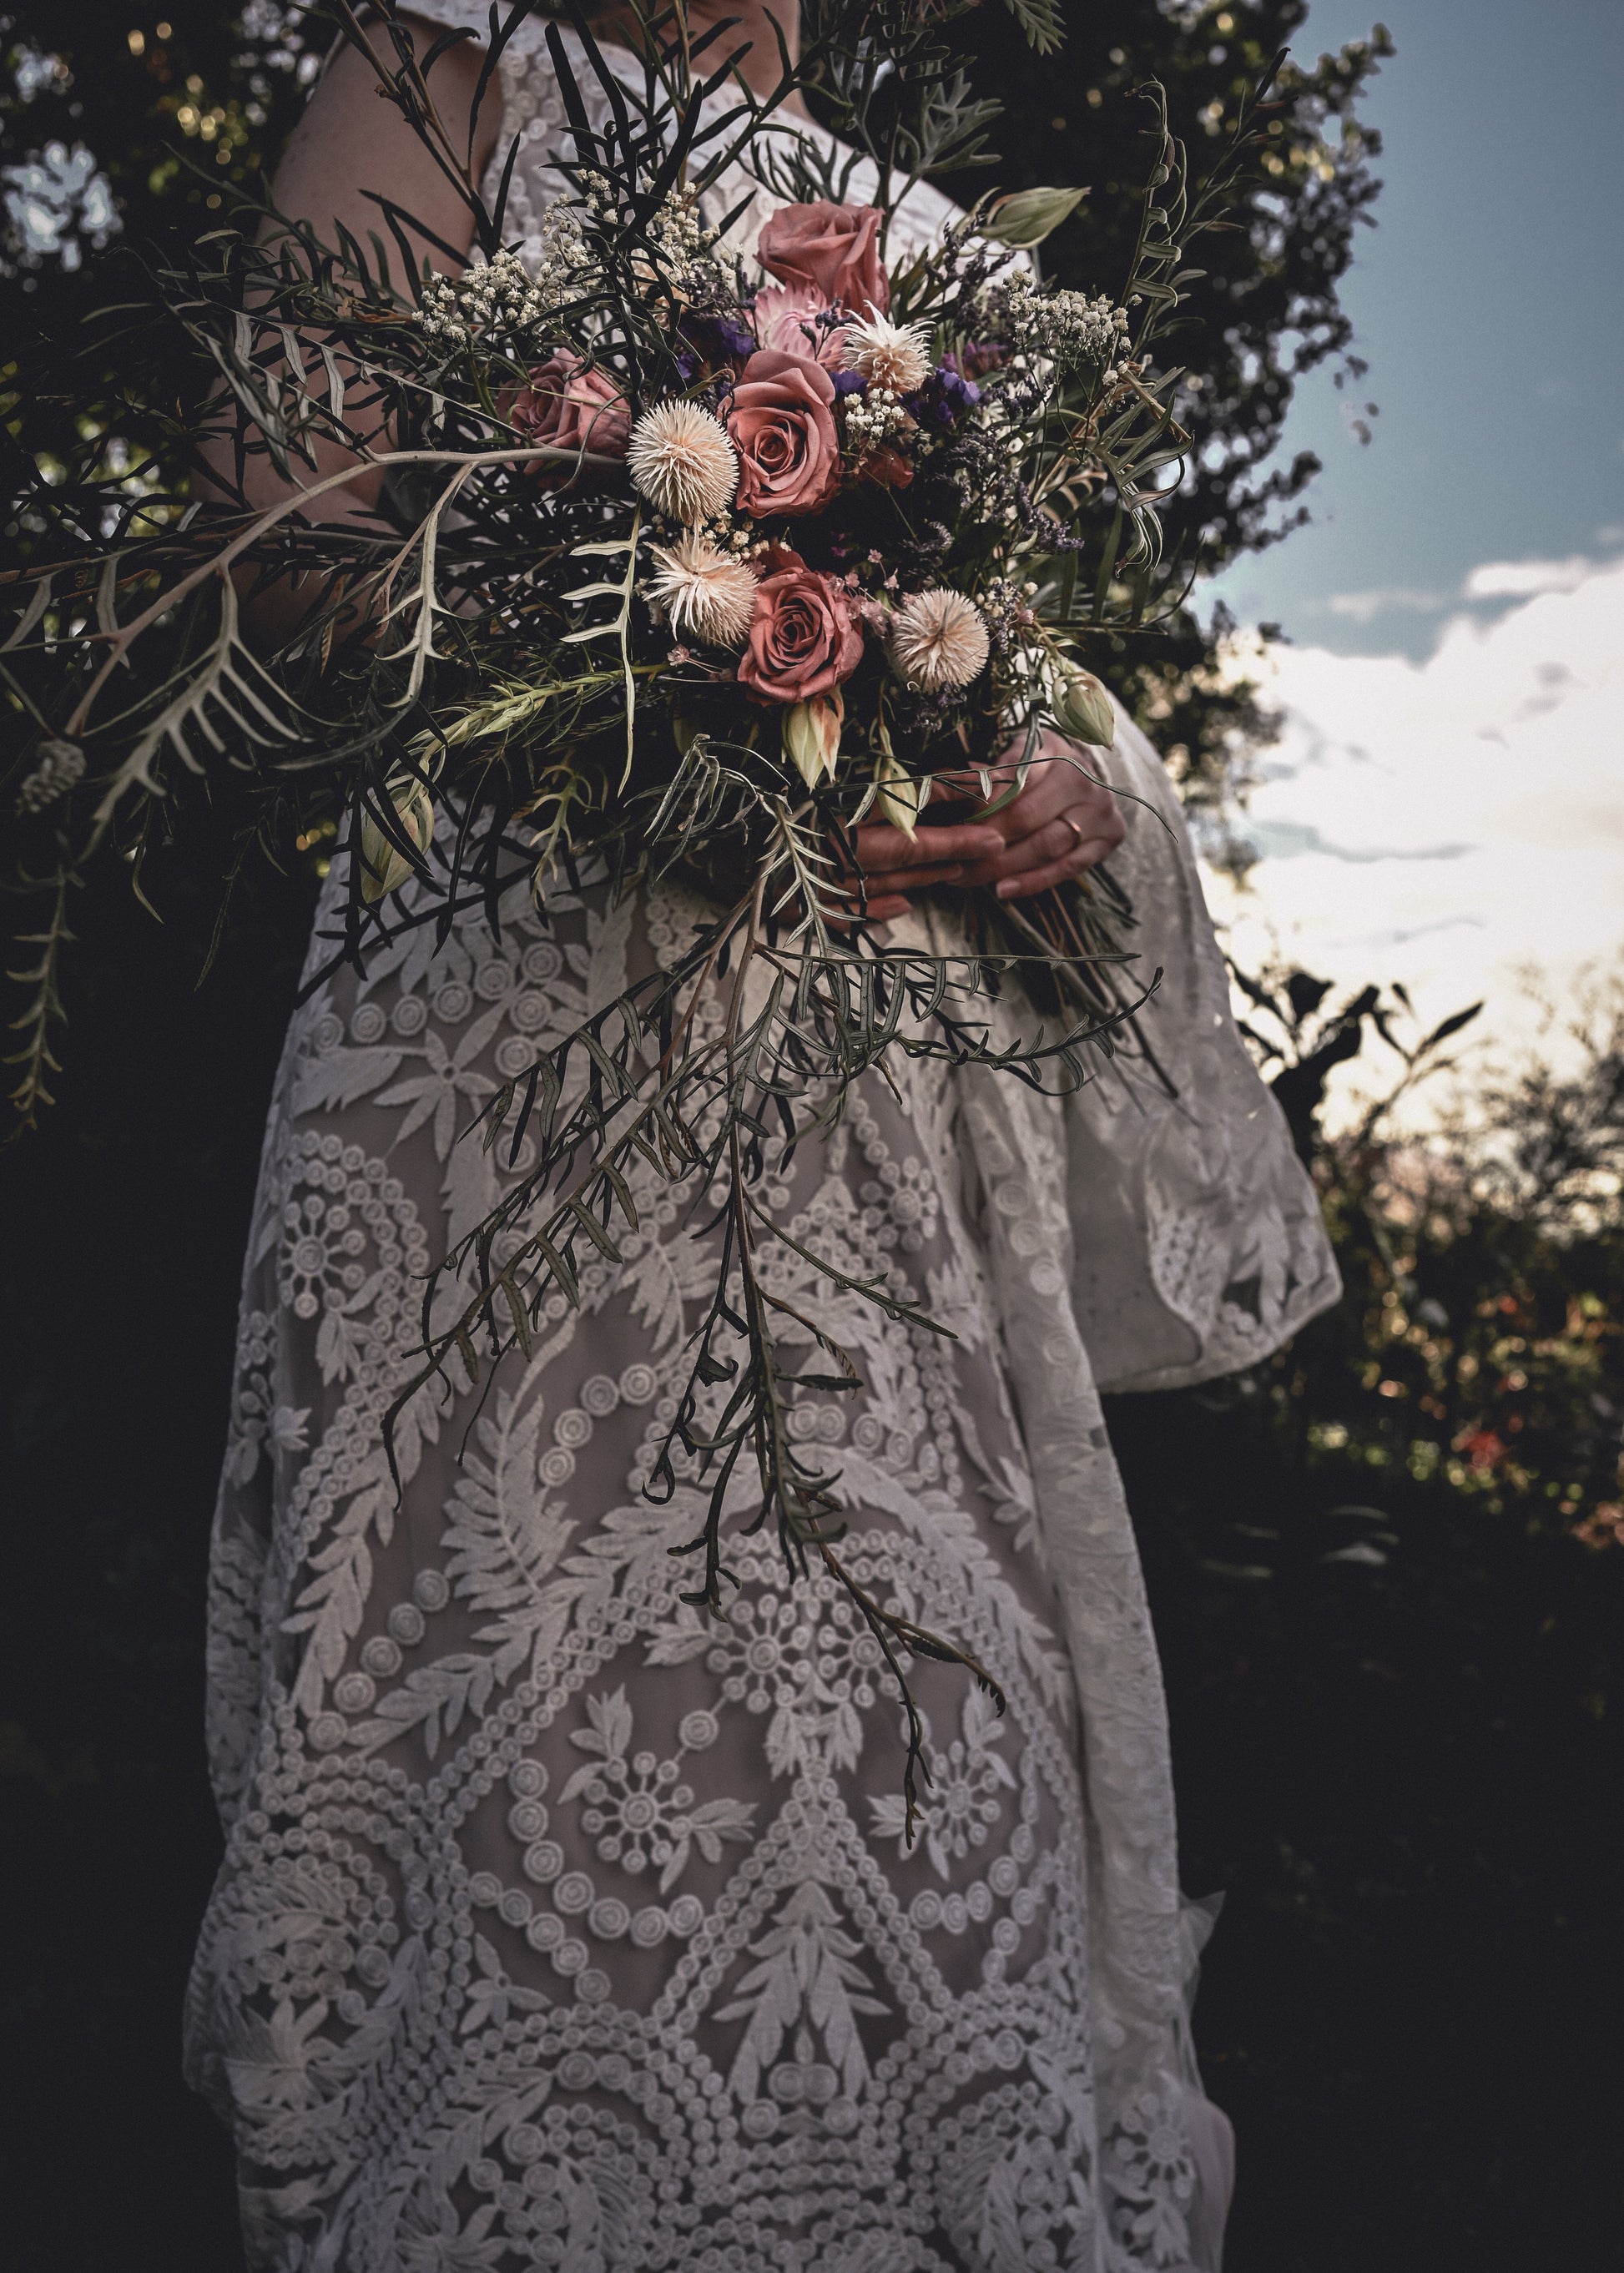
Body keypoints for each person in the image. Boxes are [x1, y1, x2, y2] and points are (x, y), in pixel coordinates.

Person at [184, 8, 1340, 2266]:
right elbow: (292, 521)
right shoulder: (446, 62)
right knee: (559, 1742)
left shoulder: (903, 220)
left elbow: (1002, 647)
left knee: (910, 1752)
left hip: (875, 1115)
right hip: (533, 1072)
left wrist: (1049, 766)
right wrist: (658, 639)